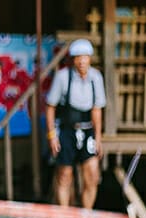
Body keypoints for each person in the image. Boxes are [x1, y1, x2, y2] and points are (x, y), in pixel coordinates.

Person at [44, 38, 107, 209]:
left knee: (92, 173)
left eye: (85, 57)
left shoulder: (96, 77)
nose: (81, 61)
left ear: (90, 58)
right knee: (64, 174)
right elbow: (50, 107)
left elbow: (97, 109)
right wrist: (52, 135)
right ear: (72, 59)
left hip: (87, 130)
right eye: (78, 57)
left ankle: (87, 213)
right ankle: (65, 214)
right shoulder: (63, 77)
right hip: (66, 130)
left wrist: (99, 138)